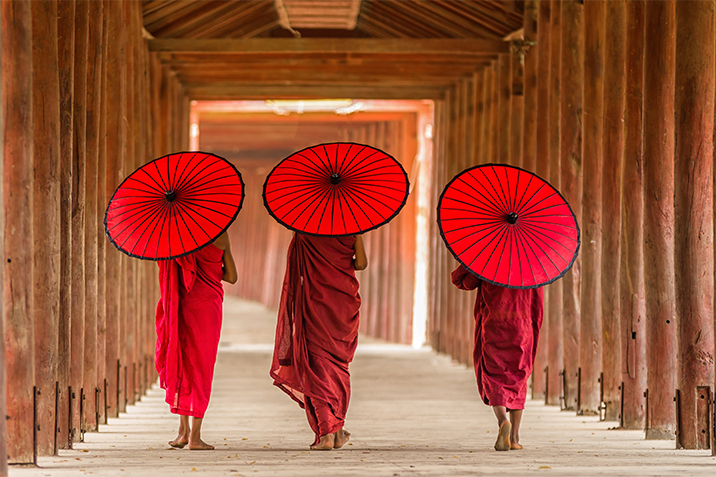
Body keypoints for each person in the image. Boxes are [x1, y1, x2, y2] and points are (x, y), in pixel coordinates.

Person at [271, 233, 368, 450]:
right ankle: (336, 430)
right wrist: (339, 263)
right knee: (339, 367)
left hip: (315, 303)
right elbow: (361, 263)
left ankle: (327, 434)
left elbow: (296, 268)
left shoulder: (304, 232)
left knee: (315, 365)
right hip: (344, 303)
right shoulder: (353, 229)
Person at [155, 231, 237, 450]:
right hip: (208, 307)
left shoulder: (177, 237)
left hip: (182, 303)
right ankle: (196, 437)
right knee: (202, 366)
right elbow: (232, 277)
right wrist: (210, 269)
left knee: (182, 361)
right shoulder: (221, 237)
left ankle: (183, 432)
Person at [451, 263, 543, 451]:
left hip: (495, 322)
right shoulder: (532, 263)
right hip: (522, 325)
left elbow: (462, 281)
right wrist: (532, 327)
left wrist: (473, 261)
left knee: (493, 376)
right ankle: (515, 438)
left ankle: (503, 421)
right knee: (519, 377)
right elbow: (537, 304)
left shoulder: (489, 258)